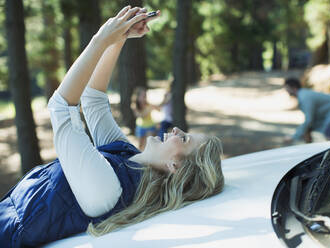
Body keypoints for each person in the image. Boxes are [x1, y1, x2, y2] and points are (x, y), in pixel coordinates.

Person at [0, 6, 224, 248]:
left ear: (175, 167)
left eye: (184, 139)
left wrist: (101, 39)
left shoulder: (109, 192)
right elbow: (92, 99)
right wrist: (120, 39)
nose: (177, 130)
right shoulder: (129, 158)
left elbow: (61, 107)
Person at [283, 77, 330, 143]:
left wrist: (293, 137)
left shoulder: (304, 97)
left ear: (293, 87)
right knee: (308, 129)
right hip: (329, 112)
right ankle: (308, 148)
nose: (286, 90)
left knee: (328, 136)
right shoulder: (303, 94)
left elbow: (309, 120)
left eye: (287, 88)